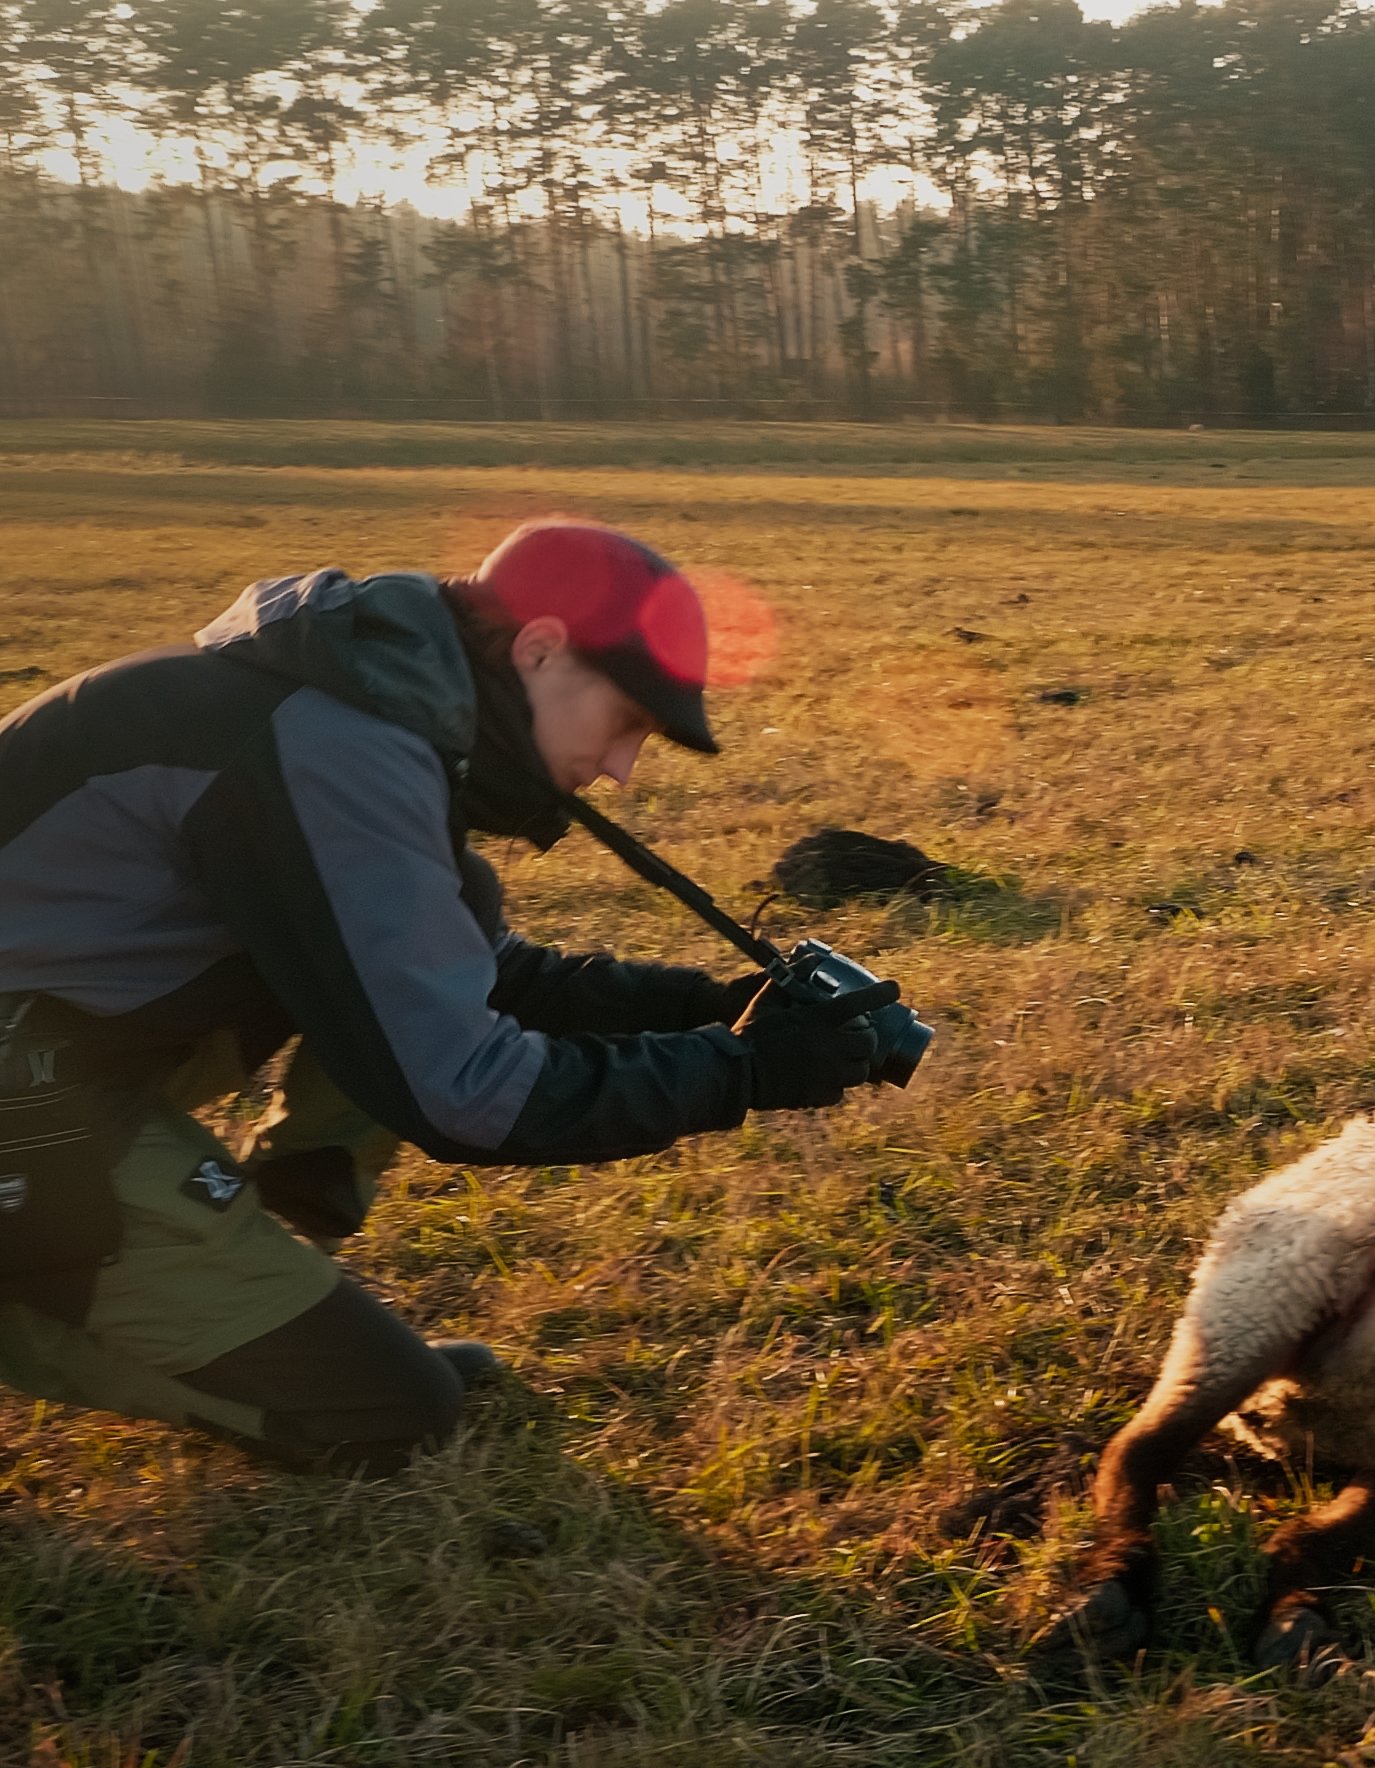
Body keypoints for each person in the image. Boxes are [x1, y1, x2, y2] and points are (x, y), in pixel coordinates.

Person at [0, 520, 910, 1477]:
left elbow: (478, 978)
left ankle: (240, 1257)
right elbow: (465, 1089)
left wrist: (721, 1005)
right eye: (625, 723)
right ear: (540, 648)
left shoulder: (352, 713)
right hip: (32, 1091)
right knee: (386, 1410)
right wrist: (745, 1072)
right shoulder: (336, 746)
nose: (620, 769)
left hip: (60, 1053)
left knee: (434, 945)